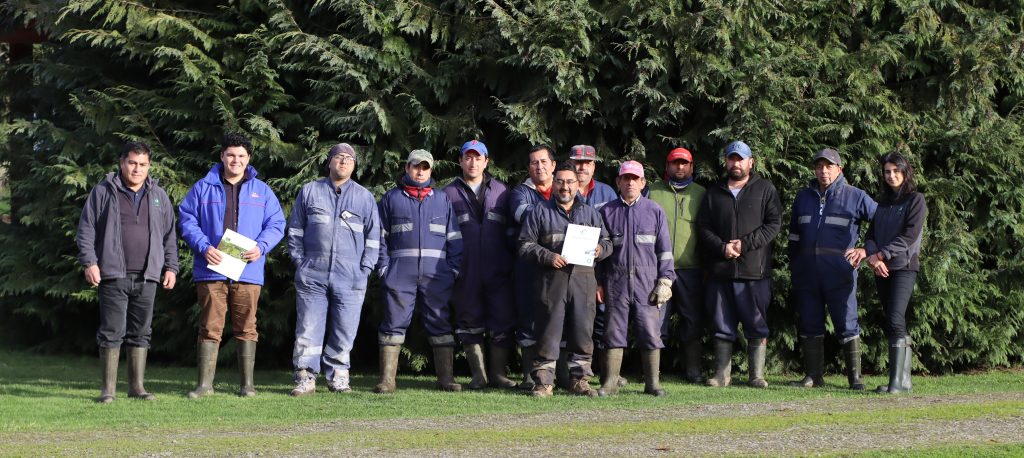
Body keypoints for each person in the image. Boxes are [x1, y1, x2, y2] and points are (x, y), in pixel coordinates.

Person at [178, 133, 286, 398]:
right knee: (209, 327)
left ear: (248, 159)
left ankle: (247, 386)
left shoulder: (263, 191)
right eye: (230, 155)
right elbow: (187, 220)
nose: (235, 160)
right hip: (211, 268)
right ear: (222, 156)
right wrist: (204, 247)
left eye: (241, 156)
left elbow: (276, 224)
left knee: (247, 326)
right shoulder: (203, 187)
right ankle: (205, 386)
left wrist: (261, 246)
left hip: (248, 270)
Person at [76, 141, 178, 403]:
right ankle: (108, 391)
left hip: (148, 276)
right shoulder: (103, 191)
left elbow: (169, 236)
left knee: (141, 332)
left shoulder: (159, 196)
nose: (137, 169)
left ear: (149, 166)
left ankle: (137, 388)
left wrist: (171, 267)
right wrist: (89, 262)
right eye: (132, 163)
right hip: (113, 274)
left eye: (143, 164)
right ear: (122, 163)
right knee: (112, 331)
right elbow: (86, 229)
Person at [287, 143, 381, 396]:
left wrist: (365, 268)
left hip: (351, 276)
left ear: (354, 166)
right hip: (312, 273)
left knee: (345, 329)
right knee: (308, 327)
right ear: (329, 162)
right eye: (339, 157)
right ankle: (305, 377)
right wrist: (300, 261)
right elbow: (295, 231)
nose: (344, 161)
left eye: (349, 158)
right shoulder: (310, 191)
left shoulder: (364, 197)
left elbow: (374, 238)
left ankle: (338, 377)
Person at [518, 161, 612, 398]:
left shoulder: (591, 213)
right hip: (551, 280)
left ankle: (579, 381)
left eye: (570, 182)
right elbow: (524, 245)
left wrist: (601, 249)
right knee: (548, 332)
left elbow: (608, 242)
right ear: (554, 183)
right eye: (560, 182)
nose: (565, 187)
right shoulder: (539, 211)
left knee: (583, 331)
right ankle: (544, 383)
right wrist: (549, 256)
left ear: (578, 185)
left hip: (583, 280)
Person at [787, 148, 876, 390]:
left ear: (839, 169)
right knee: (809, 322)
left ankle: (855, 379)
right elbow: (794, 235)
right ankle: (813, 376)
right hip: (807, 274)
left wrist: (867, 250)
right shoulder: (803, 197)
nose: (823, 171)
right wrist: (795, 265)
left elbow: (881, 222)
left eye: (829, 166)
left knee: (847, 323)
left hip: (840, 273)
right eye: (819, 166)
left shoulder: (856, 196)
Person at [375, 149, 463, 393]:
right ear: (407, 168)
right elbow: (379, 237)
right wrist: (383, 268)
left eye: (425, 167)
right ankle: (387, 381)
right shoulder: (391, 198)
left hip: (437, 275)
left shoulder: (442, 199)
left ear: (431, 170)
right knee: (393, 322)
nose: (420, 171)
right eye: (416, 166)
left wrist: (453, 270)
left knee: (440, 322)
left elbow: (454, 238)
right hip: (399, 274)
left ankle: (446, 379)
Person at [696, 140, 782, 388]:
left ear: (750, 162)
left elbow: (773, 224)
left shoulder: (765, 189)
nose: (736, 163)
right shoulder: (714, 193)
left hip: (754, 272)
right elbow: (703, 227)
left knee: (756, 324)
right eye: (732, 158)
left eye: (740, 159)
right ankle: (722, 376)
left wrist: (744, 245)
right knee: (721, 324)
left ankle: (756, 376)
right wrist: (722, 248)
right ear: (726, 162)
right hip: (720, 272)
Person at [845, 152, 925, 394]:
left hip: (903, 267)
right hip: (882, 268)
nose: (891, 175)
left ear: (905, 172)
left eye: (896, 171)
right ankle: (904, 381)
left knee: (895, 319)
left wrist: (882, 255)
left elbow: (909, 236)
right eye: (887, 171)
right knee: (892, 319)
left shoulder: (916, 200)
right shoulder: (883, 203)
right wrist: (873, 257)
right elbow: (871, 236)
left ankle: (896, 384)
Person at [442, 140, 518, 389]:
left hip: (498, 268)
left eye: (478, 158)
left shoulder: (502, 191)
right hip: (466, 269)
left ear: (486, 162)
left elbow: (512, 231)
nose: (472, 162)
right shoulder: (447, 194)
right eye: (468, 157)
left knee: (502, 319)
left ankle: (498, 374)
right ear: (460, 161)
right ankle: (479, 375)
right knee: (468, 319)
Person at [597, 161, 675, 396]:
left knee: (650, 332)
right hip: (615, 283)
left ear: (643, 183)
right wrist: (598, 282)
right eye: (626, 178)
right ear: (618, 182)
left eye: (635, 179)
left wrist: (665, 280)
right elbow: (598, 253)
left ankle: (652, 384)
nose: (630, 183)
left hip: (647, 284)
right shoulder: (606, 212)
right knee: (613, 332)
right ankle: (610, 383)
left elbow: (665, 250)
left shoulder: (654, 211)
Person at [648, 147, 707, 383]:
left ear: (691, 167)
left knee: (692, 319)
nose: (679, 167)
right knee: (656, 319)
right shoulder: (652, 191)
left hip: (691, 269)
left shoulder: (701, 194)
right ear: (667, 166)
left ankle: (693, 370)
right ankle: (653, 373)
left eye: (684, 163)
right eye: (675, 163)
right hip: (658, 270)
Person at [569, 144, 622, 390]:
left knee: (603, 323)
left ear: (594, 166)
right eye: (577, 162)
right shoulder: (563, 189)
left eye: (587, 163)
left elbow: (610, 236)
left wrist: (601, 279)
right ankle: (571, 375)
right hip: (569, 271)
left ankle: (606, 374)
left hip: (600, 269)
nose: (582, 167)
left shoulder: (607, 193)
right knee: (572, 323)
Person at [508, 145, 556, 390]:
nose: (539, 166)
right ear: (528, 168)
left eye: (544, 161)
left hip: (558, 266)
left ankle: (559, 376)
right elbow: (523, 216)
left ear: (553, 165)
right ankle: (529, 376)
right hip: (528, 266)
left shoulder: (564, 187)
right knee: (528, 320)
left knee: (557, 318)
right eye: (534, 162)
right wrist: (559, 217)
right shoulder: (520, 192)